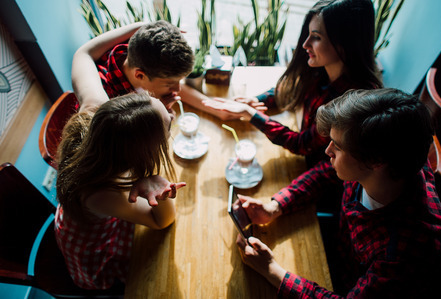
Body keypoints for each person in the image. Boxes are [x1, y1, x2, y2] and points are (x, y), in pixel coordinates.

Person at [236, 88, 441, 298]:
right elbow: (325, 172)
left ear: (376, 161)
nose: (328, 151)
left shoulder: (406, 255)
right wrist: (275, 206)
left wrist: (273, 271)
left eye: (337, 146)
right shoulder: (384, 165)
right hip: (342, 258)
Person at [204, 0, 382, 169]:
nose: (305, 44)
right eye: (308, 35)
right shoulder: (320, 69)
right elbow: (291, 89)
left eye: (316, 37)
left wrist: (251, 114)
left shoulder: (354, 104)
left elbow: (303, 144)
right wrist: (254, 100)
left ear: (345, 43)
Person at [54, 92, 185, 290]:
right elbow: (162, 221)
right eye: (168, 124)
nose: (173, 116)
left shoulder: (95, 116)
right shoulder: (103, 194)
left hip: (77, 209)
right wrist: (161, 193)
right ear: (144, 152)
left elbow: (82, 59)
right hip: (91, 242)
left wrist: (153, 110)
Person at [72, 20, 238, 119]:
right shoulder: (106, 104)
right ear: (140, 75)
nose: (178, 89)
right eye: (169, 84)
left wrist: (217, 110)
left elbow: (173, 86)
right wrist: (159, 121)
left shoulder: (137, 51)